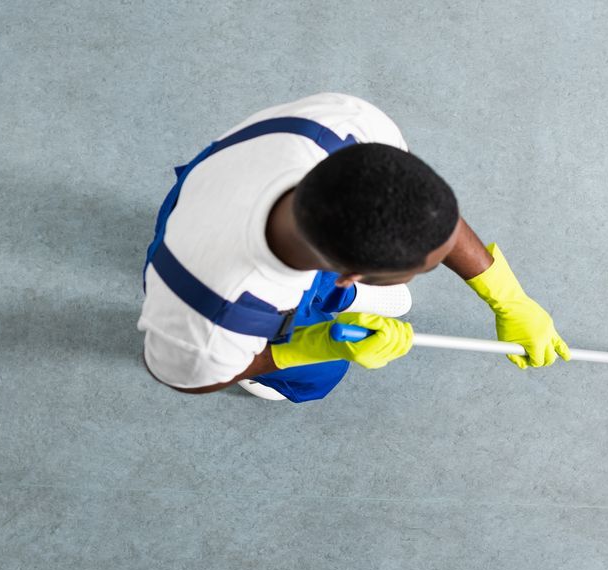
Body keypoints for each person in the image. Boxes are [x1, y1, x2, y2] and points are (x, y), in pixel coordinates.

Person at [138, 93, 569, 402]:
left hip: (213, 185)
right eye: (416, 268)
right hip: (201, 270)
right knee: (320, 376)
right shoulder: (215, 322)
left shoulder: (349, 126)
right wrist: (316, 345)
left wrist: (508, 298)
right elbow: (191, 380)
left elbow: (422, 207)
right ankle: (288, 366)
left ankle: (333, 299)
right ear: (349, 273)